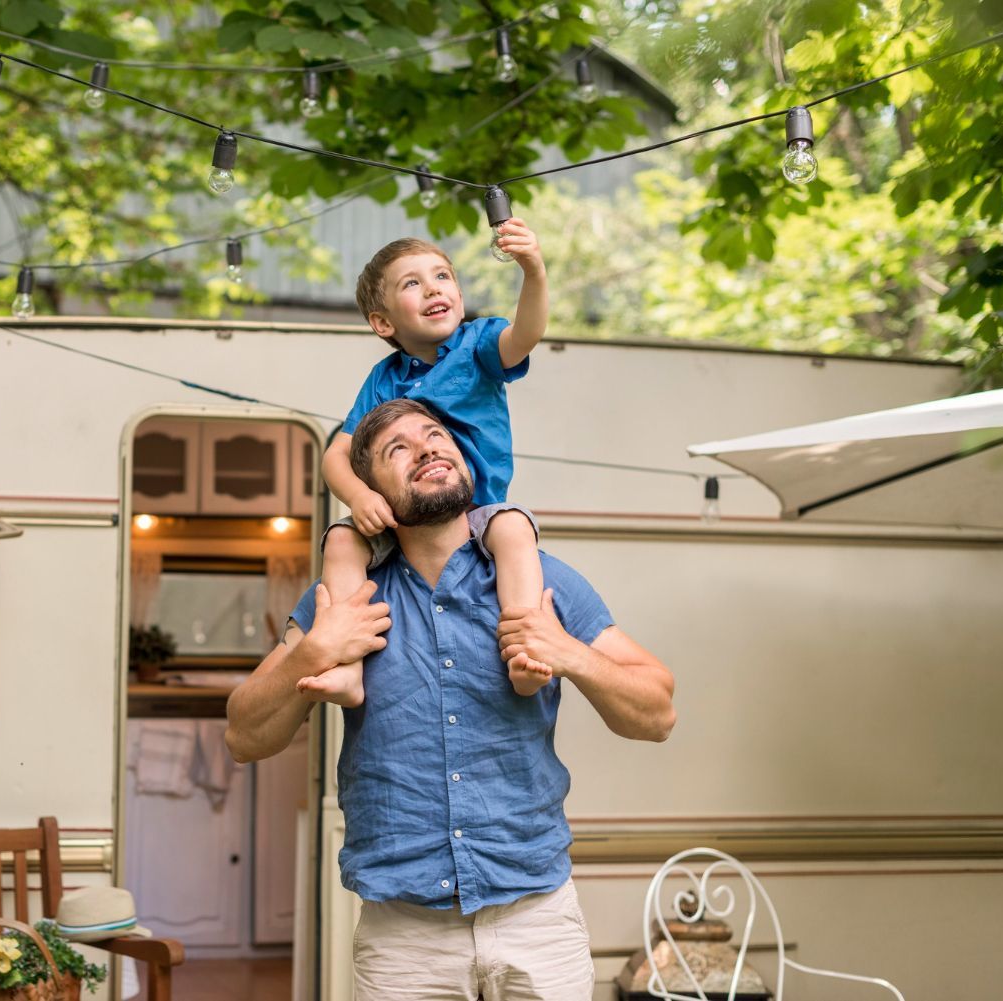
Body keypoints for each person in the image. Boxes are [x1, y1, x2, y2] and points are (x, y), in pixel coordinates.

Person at [225, 400, 676, 1001]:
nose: (429, 448)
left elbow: (658, 713)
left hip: (537, 919)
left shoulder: (541, 581)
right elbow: (244, 736)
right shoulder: (343, 597)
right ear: (371, 494)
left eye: (436, 436)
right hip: (404, 937)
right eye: (399, 449)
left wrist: (566, 651)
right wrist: (313, 651)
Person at [311, 223, 549, 709]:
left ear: (459, 295)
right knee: (339, 539)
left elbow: (526, 333)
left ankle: (525, 650)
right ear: (383, 323)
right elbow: (336, 454)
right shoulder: (384, 378)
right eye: (412, 283)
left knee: (515, 531)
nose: (434, 287)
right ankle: (346, 668)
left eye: (442, 276)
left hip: (475, 511)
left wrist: (533, 270)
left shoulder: (477, 346)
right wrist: (360, 497)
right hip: (407, 520)